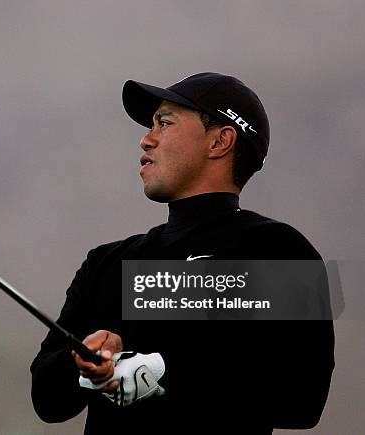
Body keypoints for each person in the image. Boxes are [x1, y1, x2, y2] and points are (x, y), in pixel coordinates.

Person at [30, 72, 335, 434]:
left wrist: (162, 371)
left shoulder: (277, 250)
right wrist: (85, 368)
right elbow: (46, 399)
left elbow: (301, 399)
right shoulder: (107, 263)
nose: (146, 140)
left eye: (164, 123)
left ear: (220, 141)